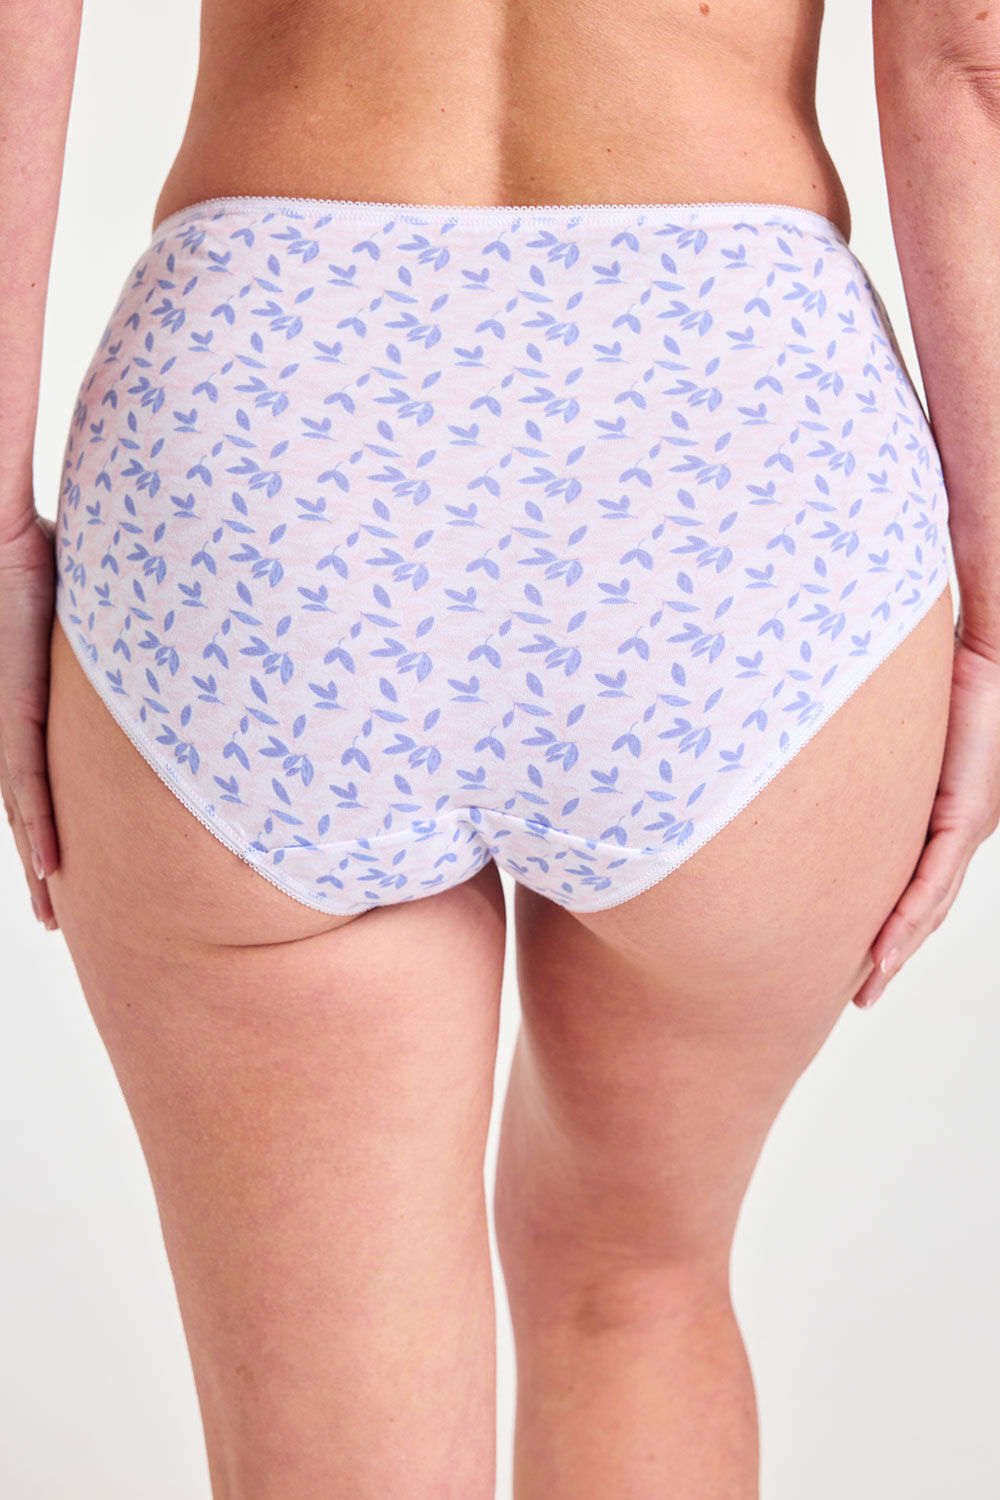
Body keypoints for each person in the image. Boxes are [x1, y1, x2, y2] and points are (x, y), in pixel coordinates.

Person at [2, 1, 999, 1494]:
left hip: (267, 430)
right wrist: (995, 621)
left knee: (325, 1414)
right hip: (736, 446)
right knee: (638, 1286)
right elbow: (969, 62)